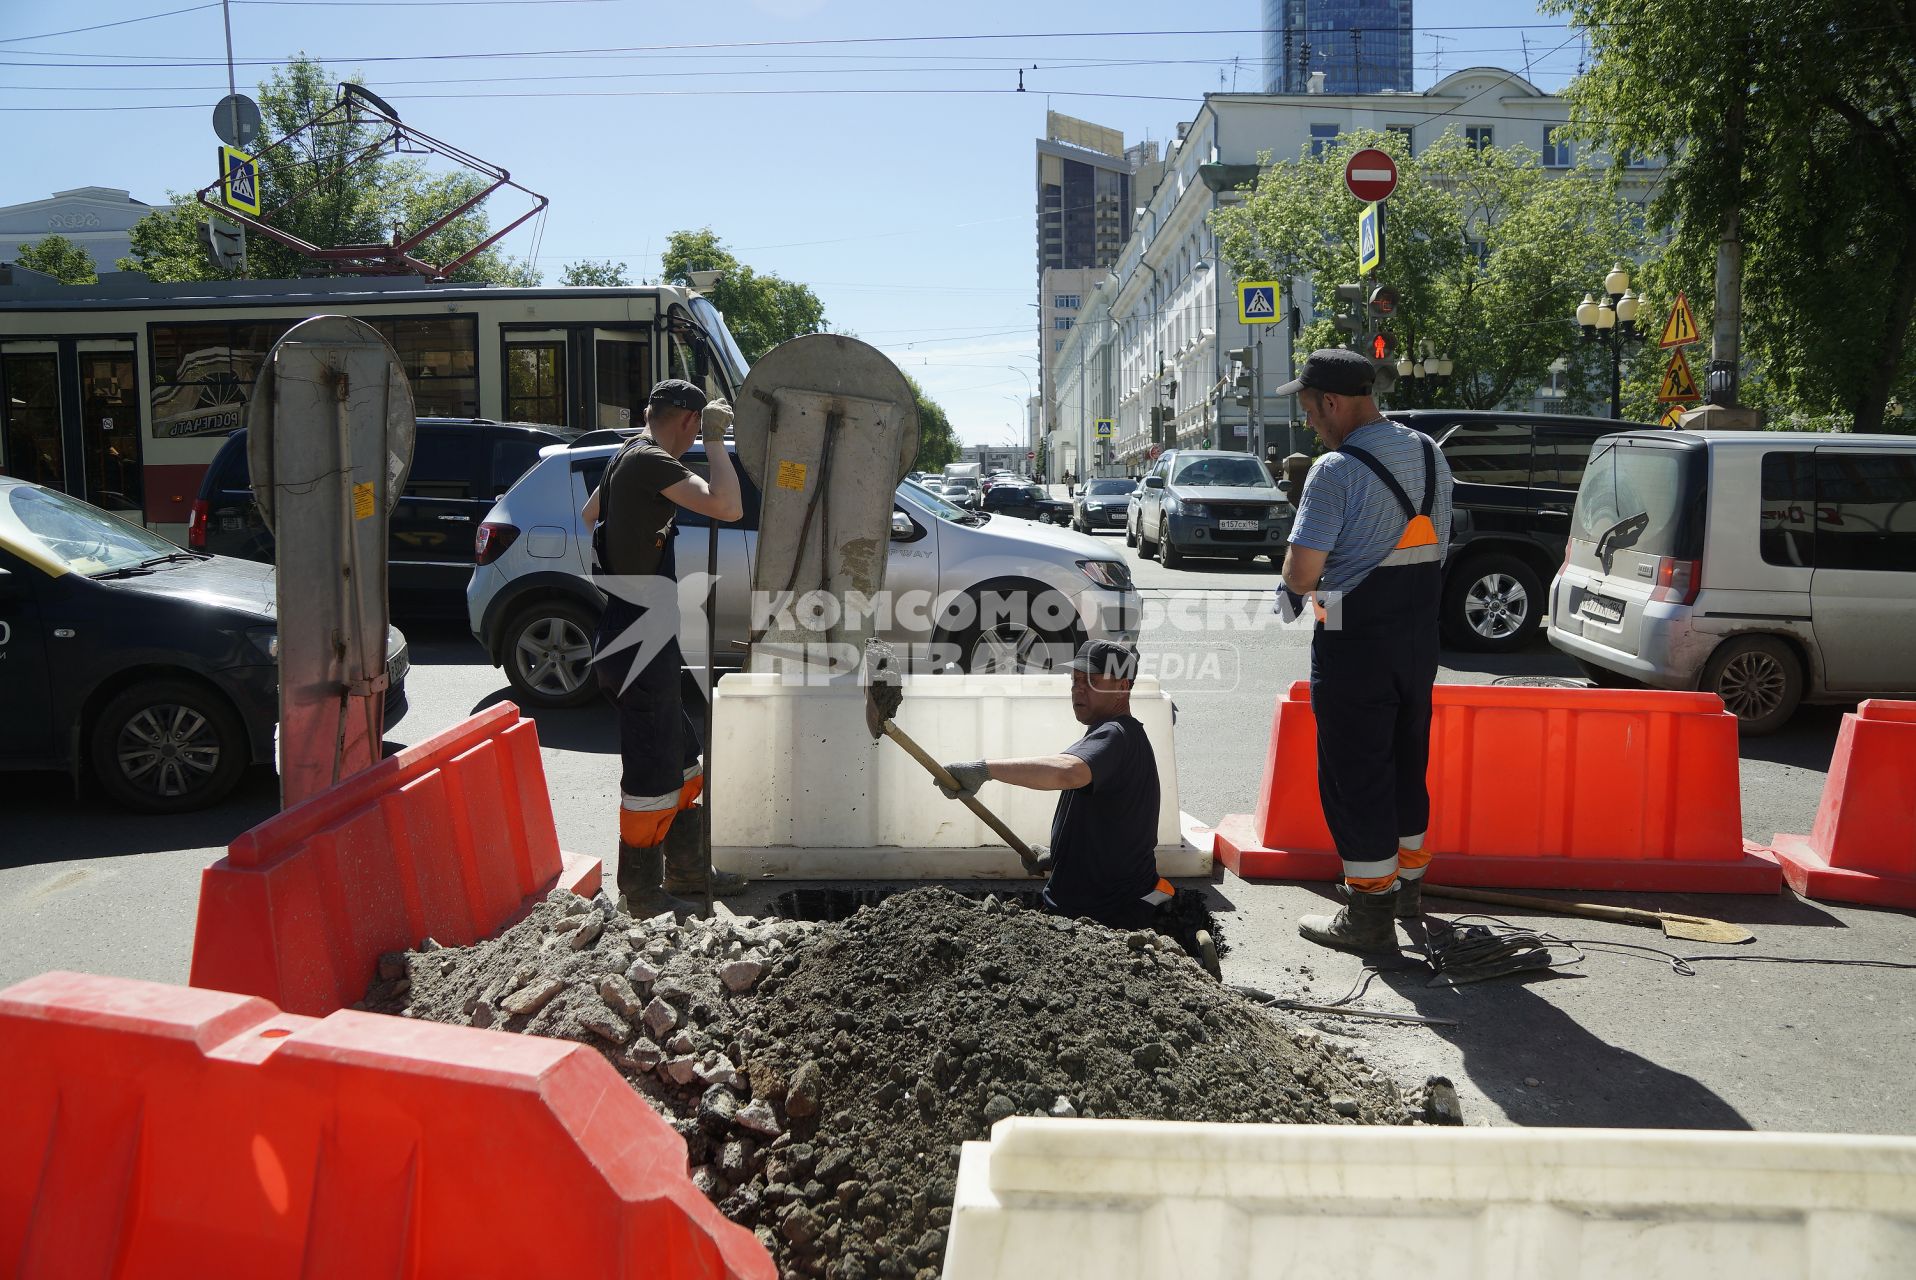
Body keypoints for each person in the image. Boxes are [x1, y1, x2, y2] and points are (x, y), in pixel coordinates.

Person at [1274, 349, 1455, 954]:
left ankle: (1369, 914)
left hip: (1354, 641)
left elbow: (1302, 577)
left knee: (1356, 774)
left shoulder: (1336, 470)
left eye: (1308, 410)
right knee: (1407, 763)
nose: (1309, 424)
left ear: (1331, 402)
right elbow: (1436, 547)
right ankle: (1408, 890)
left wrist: (1298, 571)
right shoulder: (1431, 454)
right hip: (1417, 639)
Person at [582, 378, 746, 917]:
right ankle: (643, 892)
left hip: (634, 630)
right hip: (637, 634)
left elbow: (589, 517)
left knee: (681, 756)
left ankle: (689, 870)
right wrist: (719, 445)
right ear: (689, 422)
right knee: (653, 770)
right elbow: (727, 507)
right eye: (700, 427)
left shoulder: (626, 456)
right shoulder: (649, 460)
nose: (700, 434)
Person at [936, 640, 1174, 931]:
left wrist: (985, 770)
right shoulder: (1117, 737)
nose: (1078, 689)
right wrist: (1062, 856)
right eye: (1075, 680)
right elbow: (1112, 824)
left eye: (1092, 681)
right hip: (1101, 907)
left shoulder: (1115, 734)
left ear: (1123, 687)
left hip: (1102, 918)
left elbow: (1066, 773)